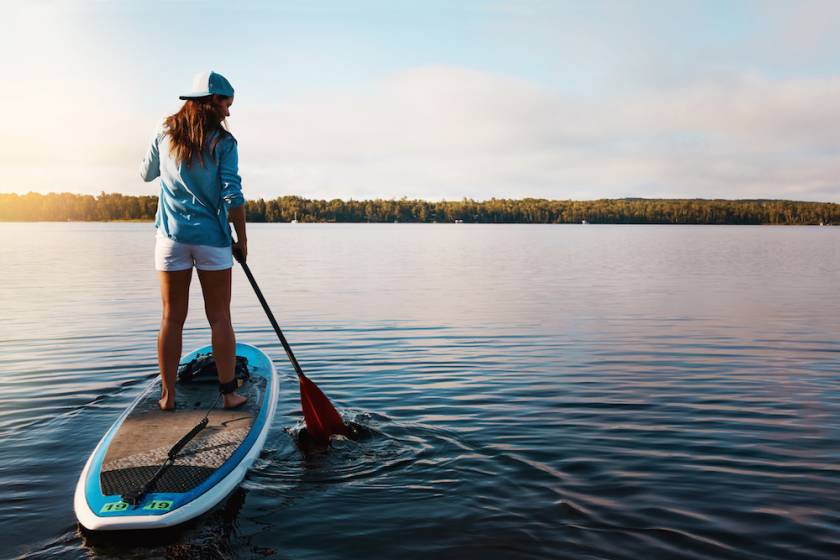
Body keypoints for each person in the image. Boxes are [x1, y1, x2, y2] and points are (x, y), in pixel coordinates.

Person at [140, 70, 247, 411]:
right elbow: (233, 195)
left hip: (171, 238)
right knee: (220, 317)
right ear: (213, 100)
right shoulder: (224, 143)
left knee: (172, 316)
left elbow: (146, 173)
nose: (228, 113)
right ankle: (229, 394)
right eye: (226, 104)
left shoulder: (165, 131)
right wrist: (242, 239)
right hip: (213, 239)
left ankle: (168, 397)